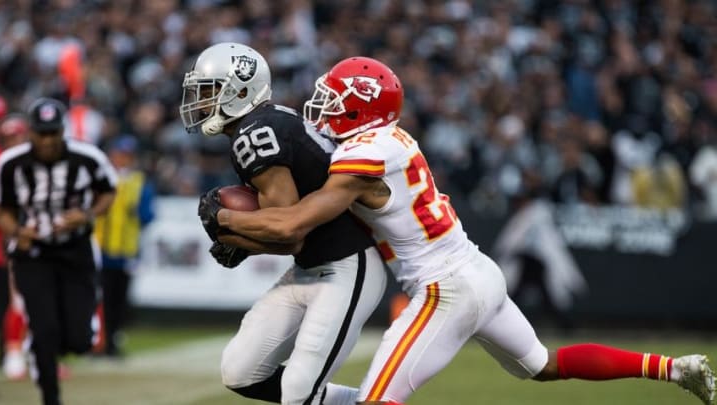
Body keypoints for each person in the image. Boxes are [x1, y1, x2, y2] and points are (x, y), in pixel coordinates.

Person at [212, 57, 716, 405]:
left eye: (331, 101)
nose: (320, 108)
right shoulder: (389, 139)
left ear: (358, 110)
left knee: (377, 399)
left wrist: (227, 219)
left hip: (443, 289)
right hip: (478, 270)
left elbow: (299, 220)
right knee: (541, 364)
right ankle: (674, 368)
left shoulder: (361, 154)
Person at [180, 43, 387, 404]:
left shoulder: (256, 132)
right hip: (310, 267)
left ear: (239, 91)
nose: (200, 101)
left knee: (298, 389)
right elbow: (289, 233)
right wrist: (242, 236)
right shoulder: (268, 122)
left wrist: (227, 221)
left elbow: (289, 233)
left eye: (210, 90)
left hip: (346, 264)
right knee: (241, 370)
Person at [0, 97, 117, 405]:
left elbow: (108, 192)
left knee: (78, 341)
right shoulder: (11, 164)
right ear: (31, 132)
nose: (48, 140)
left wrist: (87, 213)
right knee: (44, 328)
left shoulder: (87, 157)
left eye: (53, 132)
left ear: (62, 130)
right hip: (33, 253)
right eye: (42, 133)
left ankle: (60, 339)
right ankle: (50, 397)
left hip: (75, 250)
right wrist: (17, 231)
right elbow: (3, 210)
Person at [93, 134, 154, 357]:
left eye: (127, 155)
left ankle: (112, 340)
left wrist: (136, 213)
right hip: (101, 249)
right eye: (120, 154)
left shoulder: (139, 181)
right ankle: (98, 341)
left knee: (118, 300)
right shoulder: (102, 178)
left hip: (125, 251)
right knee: (100, 298)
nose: (123, 159)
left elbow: (148, 215)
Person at [0, 114, 30, 380]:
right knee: (16, 298)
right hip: (8, 240)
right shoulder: (5, 165)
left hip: (22, 237)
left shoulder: (24, 164)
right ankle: (13, 352)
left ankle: (24, 352)